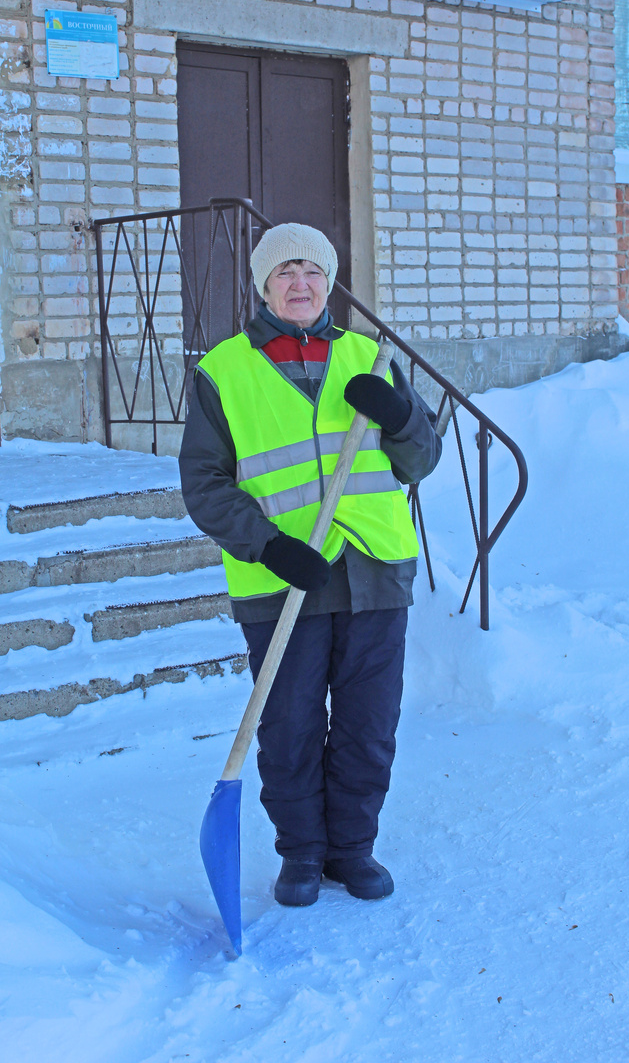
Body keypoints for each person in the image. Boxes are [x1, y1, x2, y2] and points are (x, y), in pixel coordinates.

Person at [179, 222, 441, 907]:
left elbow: (421, 459)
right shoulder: (223, 372)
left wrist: (402, 415)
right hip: (281, 579)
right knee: (289, 725)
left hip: (376, 571)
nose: (301, 284)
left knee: (368, 723)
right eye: (285, 272)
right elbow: (205, 483)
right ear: (264, 286)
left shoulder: (370, 358)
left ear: (329, 283)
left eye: (313, 271)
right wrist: (266, 543)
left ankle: (352, 849)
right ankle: (301, 854)